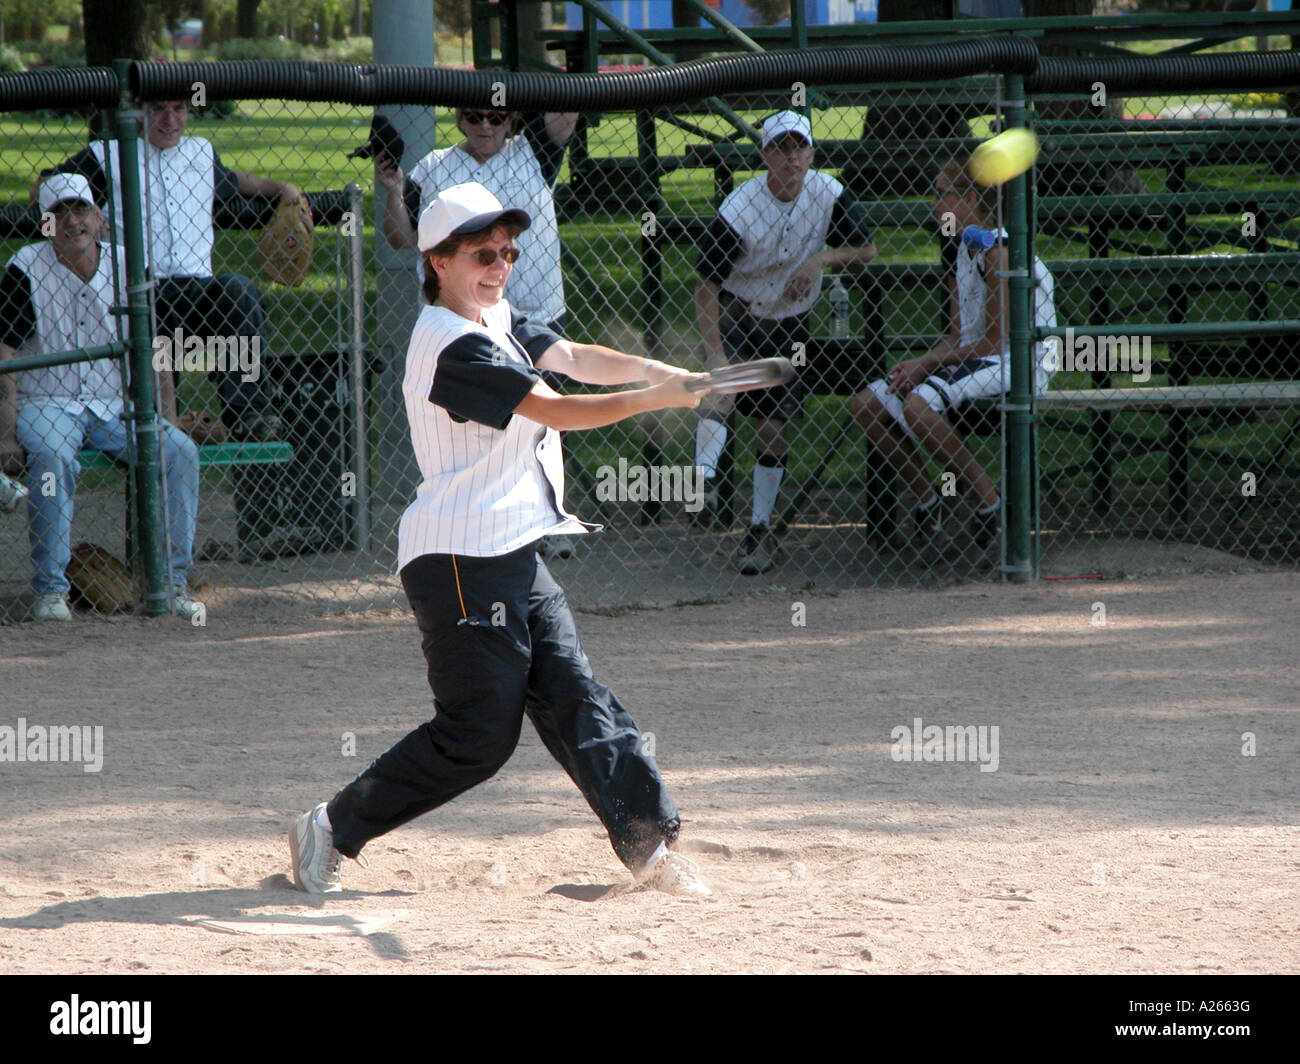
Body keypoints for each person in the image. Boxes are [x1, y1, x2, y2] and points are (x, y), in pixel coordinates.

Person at [289, 182, 712, 897]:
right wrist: (651, 402)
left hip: (512, 550)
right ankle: (330, 827)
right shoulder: (448, 344)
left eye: (509, 251)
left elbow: (570, 355)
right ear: (438, 260)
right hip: (458, 560)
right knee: (480, 736)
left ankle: (647, 847)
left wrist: (655, 370)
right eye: (483, 253)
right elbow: (554, 406)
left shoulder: (498, 319)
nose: (499, 265)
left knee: (575, 692)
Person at [376, 106, 582, 558]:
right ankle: (489, 526)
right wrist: (392, 191)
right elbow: (399, 237)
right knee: (487, 431)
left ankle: (544, 519)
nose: (485, 126)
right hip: (469, 322)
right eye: (473, 117)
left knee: (545, 421)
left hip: (535, 313)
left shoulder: (532, 152)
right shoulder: (433, 167)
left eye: (496, 117)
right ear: (459, 120)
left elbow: (568, 105)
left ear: (512, 122)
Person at [0, 174, 200, 622]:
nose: (72, 222)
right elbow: (5, 354)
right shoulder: (24, 268)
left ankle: (171, 583)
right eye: (59, 214)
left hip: (113, 404)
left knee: (179, 452)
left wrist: (166, 417)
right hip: (45, 404)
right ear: (46, 225)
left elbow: (156, 348)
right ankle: (51, 590)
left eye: (80, 210)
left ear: (100, 218)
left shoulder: (129, 266)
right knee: (52, 458)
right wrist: (7, 432)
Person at [49, 98, 311, 440]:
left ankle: (249, 414)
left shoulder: (200, 152)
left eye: (179, 108)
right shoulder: (106, 154)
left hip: (200, 294)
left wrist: (285, 189)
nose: (170, 119)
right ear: (139, 111)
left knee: (240, 290)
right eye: (158, 108)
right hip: (140, 290)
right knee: (146, 318)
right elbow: (48, 187)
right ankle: (154, 418)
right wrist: (88, 219)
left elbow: (238, 180)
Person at [693, 110, 877, 575]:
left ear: (812, 153)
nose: (791, 157)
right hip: (739, 311)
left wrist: (821, 258)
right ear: (764, 156)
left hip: (789, 322)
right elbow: (706, 285)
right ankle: (703, 484)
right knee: (722, 386)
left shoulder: (828, 191)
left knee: (773, 425)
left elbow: (867, 249)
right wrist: (715, 348)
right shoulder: (739, 207)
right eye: (780, 148)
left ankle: (760, 527)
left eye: (799, 147)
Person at [850, 156, 1058, 554]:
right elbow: (958, 336)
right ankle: (930, 502)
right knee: (866, 404)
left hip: (1022, 361)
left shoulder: (996, 249)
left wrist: (928, 365)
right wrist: (919, 363)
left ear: (969, 198)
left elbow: (998, 342)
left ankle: (989, 505)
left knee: (918, 404)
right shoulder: (965, 247)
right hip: (983, 358)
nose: (934, 204)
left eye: (941, 193)